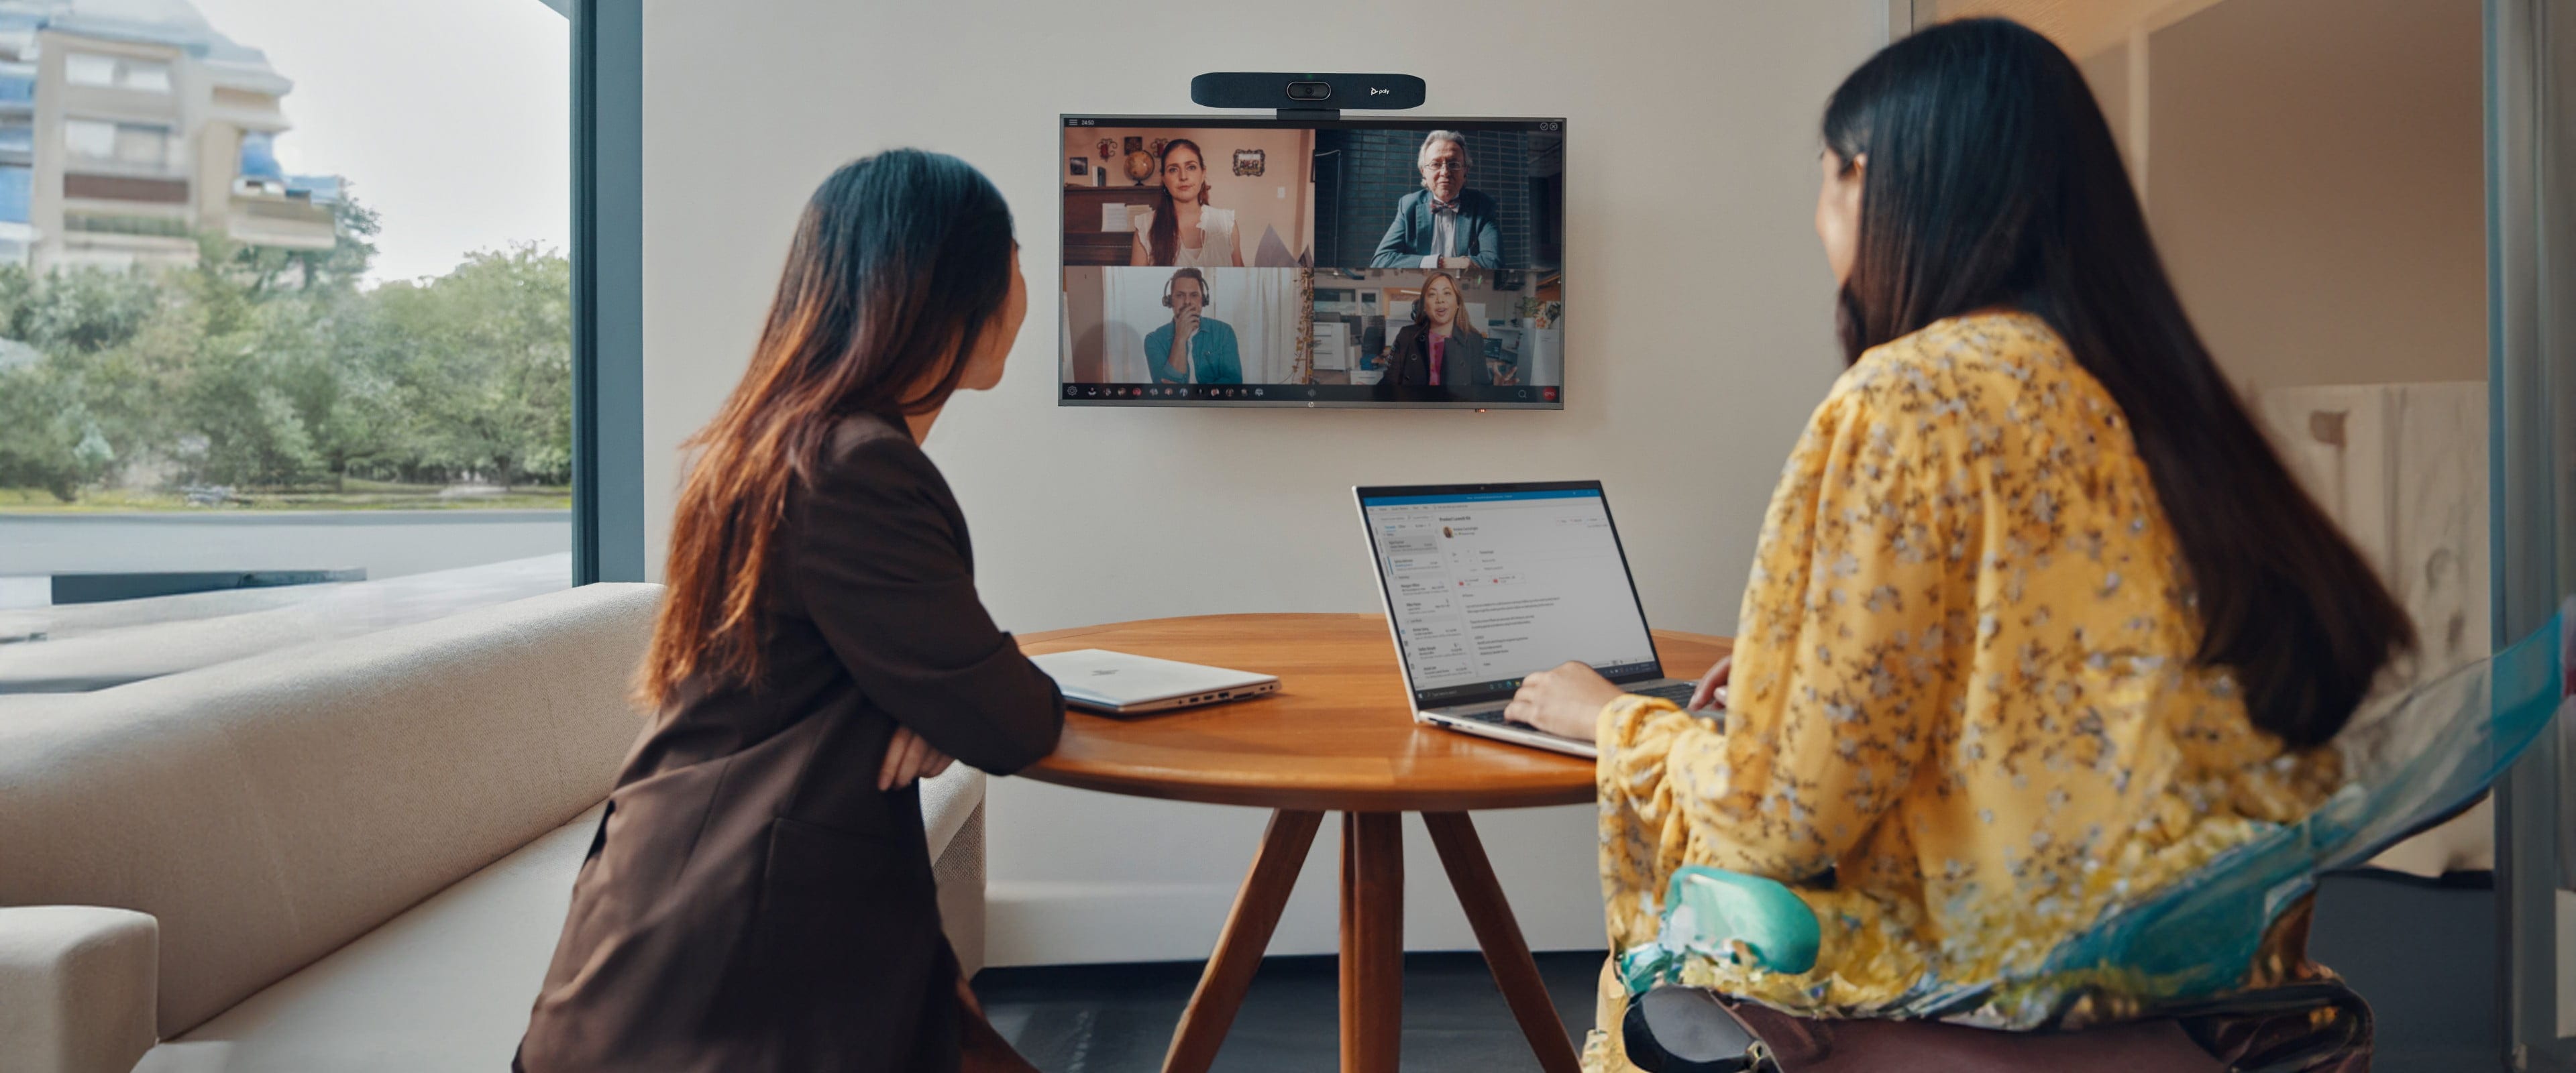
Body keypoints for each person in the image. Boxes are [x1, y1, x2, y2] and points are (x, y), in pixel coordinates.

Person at [1495, 19, 2414, 1069]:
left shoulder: (1909, 398)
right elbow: (2063, 687)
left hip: (1999, 995)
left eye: (1826, 179)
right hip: (2213, 992)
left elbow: (1787, 818)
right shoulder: (2156, 393)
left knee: (1653, 977)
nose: (1817, 218)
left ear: (1873, 181)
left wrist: (1619, 723)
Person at [516, 150, 1063, 1073]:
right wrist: (941, 703)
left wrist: (925, 699)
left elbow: (872, 668)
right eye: (1009, 256)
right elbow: (1011, 721)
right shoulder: (857, 466)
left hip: (700, 905)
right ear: (943, 289)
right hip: (738, 968)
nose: (1023, 287)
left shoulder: (772, 443)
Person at [1370, 130, 1503, 270]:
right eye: (1435, 164)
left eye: (1454, 164)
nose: (1445, 172)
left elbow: (1494, 262)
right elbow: (1381, 260)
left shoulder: (1483, 205)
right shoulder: (1408, 206)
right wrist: (1441, 263)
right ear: (1424, 172)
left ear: (1465, 171)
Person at [1130, 137, 1244, 268]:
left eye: (1191, 167)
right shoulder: (1145, 226)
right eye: (1173, 169)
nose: (1183, 176)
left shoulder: (1227, 224)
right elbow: (1135, 285)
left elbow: (1242, 281)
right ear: (1164, 180)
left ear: (1203, 174)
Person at [1379, 270, 1488, 388]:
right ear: (1425, 306)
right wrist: (1370, 394)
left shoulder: (1474, 341)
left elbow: (1480, 396)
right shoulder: (1406, 336)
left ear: (1458, 303)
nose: (1440, 300)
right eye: (1432, 294)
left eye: (1447, 293)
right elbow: (1389, 384)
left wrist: (1497, 391)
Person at [1139, 267, 1242, 384]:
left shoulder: (1224, 332)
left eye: (1194, 295)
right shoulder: (1154, 340)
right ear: (1169, 301)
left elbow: (1234, 383)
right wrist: (1180, 338)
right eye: (1180, 295)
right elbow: (1165, 390)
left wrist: (1195, 397)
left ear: (1203, 300)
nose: (1187, 302)